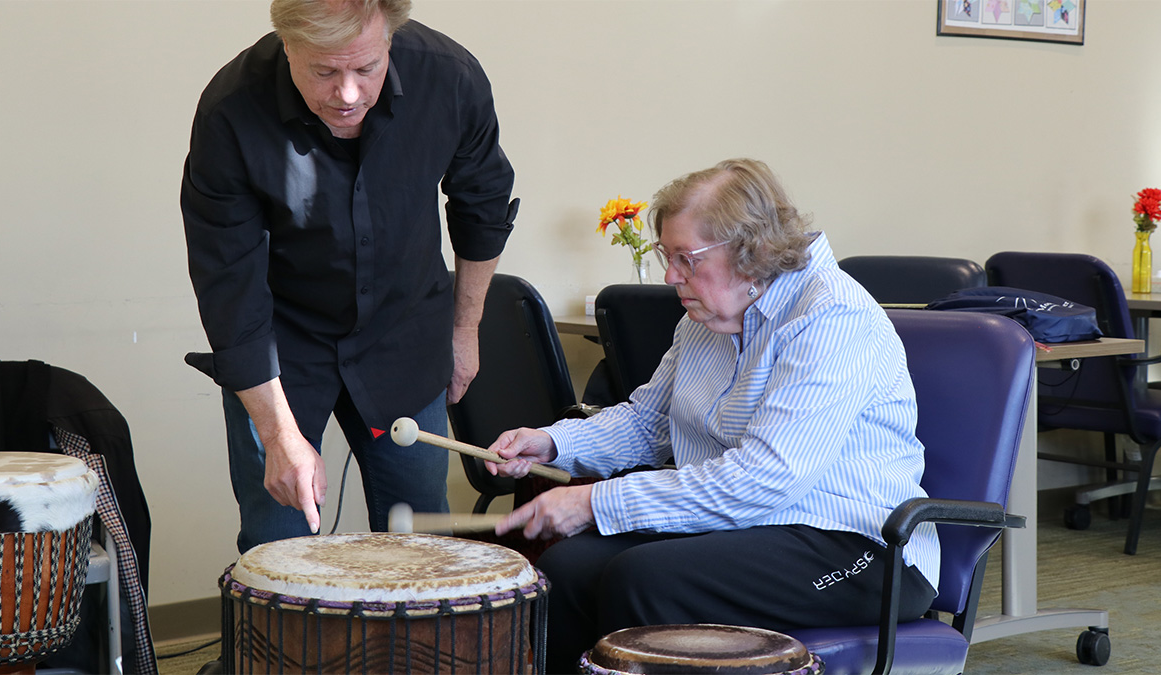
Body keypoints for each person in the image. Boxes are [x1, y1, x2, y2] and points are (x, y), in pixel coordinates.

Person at [486, 158, 941, 673]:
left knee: (646, 579)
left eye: (686, 258)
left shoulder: (831, 316)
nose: (670, 275)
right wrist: (552, 443)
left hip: (862, 546)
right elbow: (649, 422)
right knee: (565, 569)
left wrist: (594, 501)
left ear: (754, 252)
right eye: (666, 254)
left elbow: (765, 479)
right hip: (749, 528)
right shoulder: (707, 315)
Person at [181, 0, 516, 553]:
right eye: (324, 71)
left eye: (366, 69)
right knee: (278, 541)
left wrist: (464, 332)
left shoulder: (449, 78)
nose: (349, 94)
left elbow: (482, 210)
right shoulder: (231, 112)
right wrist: (276, 433)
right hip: (281, 347)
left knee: (420, 542)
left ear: (390, 40)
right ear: (287, 46)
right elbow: (227, 283)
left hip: (405, 330)